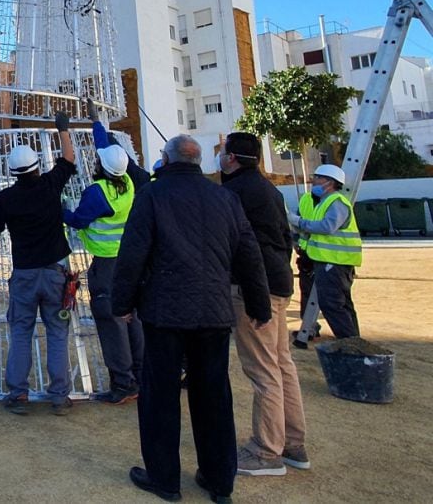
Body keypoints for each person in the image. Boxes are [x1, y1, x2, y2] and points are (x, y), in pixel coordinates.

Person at [112, 135, 270, 503]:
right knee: (214, 396)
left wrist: (122, 303)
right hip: (213, 313)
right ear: (199, 162)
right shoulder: (225, 197)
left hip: (165, 313)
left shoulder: (151, 195)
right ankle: (219, 482)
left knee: (160, 397)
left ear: (166, 160)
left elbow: (133, 253)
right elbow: (249, 255)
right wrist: (259, 306)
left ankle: (164, 479)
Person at [219, 132, 309, 477]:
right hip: (279, 283)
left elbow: (242, 249)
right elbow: (283, 239)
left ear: (232, 159)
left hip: (254, 290)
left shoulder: (234, 194)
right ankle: (293, 443)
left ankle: (266, 450)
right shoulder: (269, 190)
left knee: (263, 371)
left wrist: (255, 300)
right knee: (281, 365)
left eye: (223, 152)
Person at [0, 112, 78, 416]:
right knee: (57, 333)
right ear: (37, 166)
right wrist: (62, 129)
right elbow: (69, 159)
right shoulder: (51, 185)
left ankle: (18, 394)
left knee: (21, 332)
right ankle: (59, 396)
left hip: (24, 274)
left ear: (13, 172)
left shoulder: (8, 198)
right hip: (55, 272)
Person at [63, 99, 150, 405]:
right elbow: (108, 147)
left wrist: (60, 208)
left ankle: (122, 384)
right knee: (133, 318)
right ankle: (140, 377)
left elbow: (78, 220)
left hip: (107, 265)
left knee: (111, 320)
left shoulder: (98, 193)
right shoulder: (127, 180)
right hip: (130, 261)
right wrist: (96, 122)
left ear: (100, 166)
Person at [289, 163, 362, 340]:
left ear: (329, 183)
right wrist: (297, 240)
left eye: (317, 178)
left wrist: (298, 222)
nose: (313, 181)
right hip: (318, 258)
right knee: (340, 303)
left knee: (333, 304)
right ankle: (353, 340)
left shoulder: (336, 202)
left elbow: (326, 227)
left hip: (335, 262)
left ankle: (349, 342)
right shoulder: (316, 200)